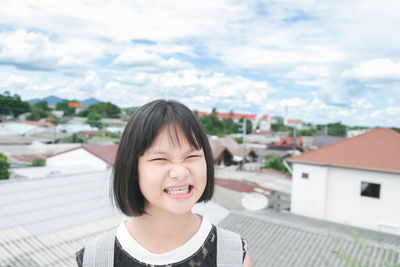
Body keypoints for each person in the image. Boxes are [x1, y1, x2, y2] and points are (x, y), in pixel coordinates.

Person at [75, 99, 251, 267]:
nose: (180, 172)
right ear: (132, 168)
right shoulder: (95, 259)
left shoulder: (233, 255)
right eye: (160, 158)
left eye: (192, 156)